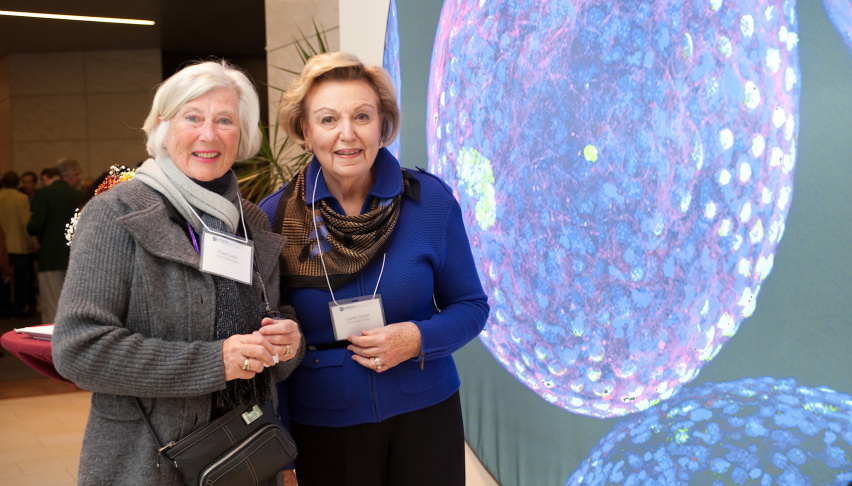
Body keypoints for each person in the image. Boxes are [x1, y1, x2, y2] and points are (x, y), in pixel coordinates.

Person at [52, 60, 304, 485]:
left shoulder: (252, 223)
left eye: (225, 120)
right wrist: (213, 362)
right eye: (193, 117)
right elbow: (78, 349)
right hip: (148, 465)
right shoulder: (116, 214)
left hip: (246, 460)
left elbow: (270, 319)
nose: (209, 134)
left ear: (241, 135)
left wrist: (286, 341)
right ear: (164, 127)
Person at [258, 52, 490, 486]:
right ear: (305, 132)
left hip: (426, 413)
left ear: (382, 126)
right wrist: (281, 446)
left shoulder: (430, 201)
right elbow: (272, 344)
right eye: (328, 120)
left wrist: (418, 337)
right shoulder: (274, 219)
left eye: (362, 116)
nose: (347, 134)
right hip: (324, 425)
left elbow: (472, 307)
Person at [27, 166, 81, 323]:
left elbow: (35, 224)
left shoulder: (44, 194)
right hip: (74, 254)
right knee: (73, 303)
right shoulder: (77, 194)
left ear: (45, 178)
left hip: (50, 256)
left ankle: (50, 343)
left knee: (51, 305)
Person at [0, 171, 36, 318]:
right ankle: (19, 307)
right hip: (19, 244)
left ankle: (4, 307)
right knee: (21, 279)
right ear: (17, 183)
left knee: (3, 278)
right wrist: (32, 242)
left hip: (2, 246)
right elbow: (25, 223)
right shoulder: (22, 198)